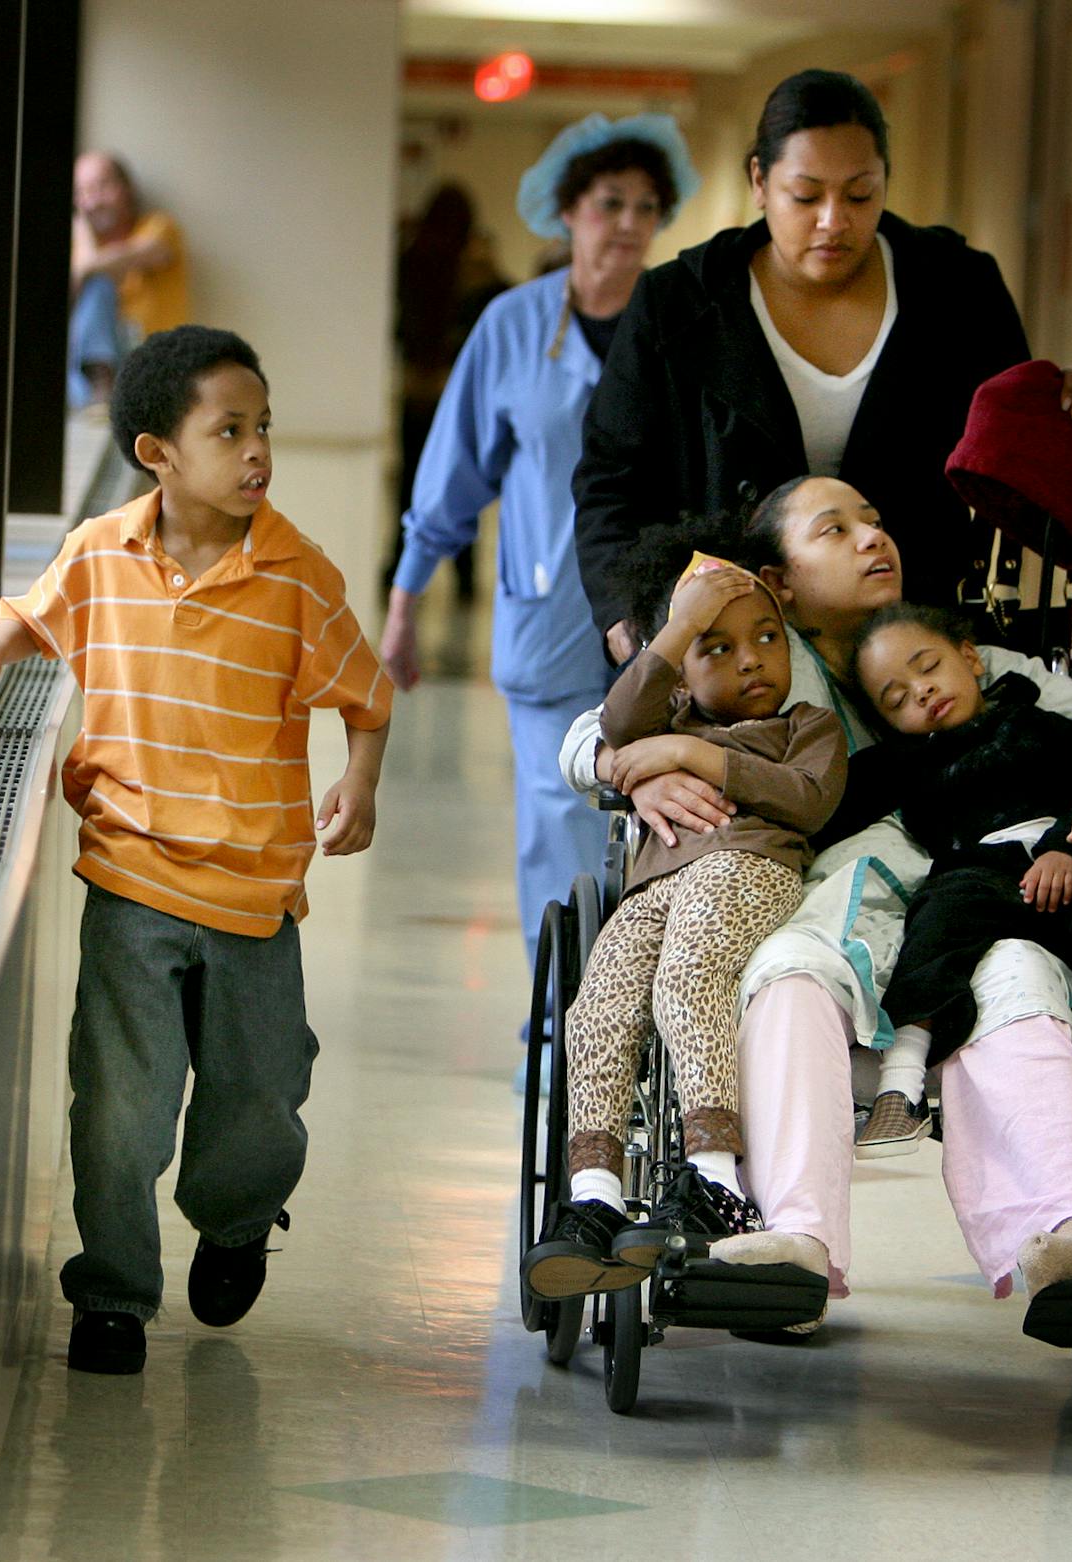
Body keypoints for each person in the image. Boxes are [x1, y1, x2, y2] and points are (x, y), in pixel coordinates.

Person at [559, 475, 1072, 1314]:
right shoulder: (750, 647)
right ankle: (795, 1237)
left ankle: (1071, 1230)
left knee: (1020, 980)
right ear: (778, 580)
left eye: (875, 519)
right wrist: (626, 770)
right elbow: (593, 731)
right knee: (790, 973)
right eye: (835, 528)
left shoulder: (952, 650)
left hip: (977, 885)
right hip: (814, 899)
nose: (871, 538)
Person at [0, 326, 392, 1375]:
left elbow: (366, 695)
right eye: (231, 430)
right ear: (157, 452)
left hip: (256, 892)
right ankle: (114, 1293)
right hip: (130, 873)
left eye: (264, 427)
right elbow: (42, 616)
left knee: (260, 1096)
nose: (258, 450)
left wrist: (357, 779)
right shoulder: (101, 551)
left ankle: (236, 1218)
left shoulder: (296, 577)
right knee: (121, 1098)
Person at [571, 69, 1072, 664]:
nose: (833, 220)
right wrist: (624, 618)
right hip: (729, 642)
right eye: (806, 196)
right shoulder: (676, 302)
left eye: (860, 194)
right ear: (759, 180)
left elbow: (1015, 457)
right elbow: (610, 478)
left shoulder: (958, 287)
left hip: (914, 635)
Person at [378, 114, 699, 1072]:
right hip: (547, 620)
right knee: (559, 827)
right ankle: (566, 1030)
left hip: (666, 624)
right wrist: (403, 605)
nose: (629, 224)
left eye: (647, 208)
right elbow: (448, 481)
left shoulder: (678, 322)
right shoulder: (513, 327)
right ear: (567, 212)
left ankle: (647, 1026)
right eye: (610, 205)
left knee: (669, 822)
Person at [525, 526, 843, 1300]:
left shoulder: (807, 726)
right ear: (680, 671)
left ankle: (714, 1179)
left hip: (749, 868)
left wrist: (704, 759)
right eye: (717, 647)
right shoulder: (661, 720)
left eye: (767, 639)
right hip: (656, 884)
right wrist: (673, 632)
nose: (750, 660)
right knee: (597, 1007)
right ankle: (594, 1195)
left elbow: (808, 798)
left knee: (687, 976)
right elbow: (615, 725)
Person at [829, 603, 1072, 1155]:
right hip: (978, 872)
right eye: (897, 698)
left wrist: (1061, 849)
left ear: (971, 658)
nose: (920, 693)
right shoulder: (902, 764)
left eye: (928, 668)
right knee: (937, 915)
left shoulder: (1035, 717)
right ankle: (900, 1090)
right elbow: (829, 808)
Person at [386, 183, 509, 601]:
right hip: (460, 396)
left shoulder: (413, 258)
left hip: (417, 392)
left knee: (410, 487)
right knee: (463, 485)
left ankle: (400, 571)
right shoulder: (474, 267)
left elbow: (402, 323)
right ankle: (463, 577)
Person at [67, 151, 189, 408]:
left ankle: (102, 380)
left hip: (148, 366)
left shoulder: (158, 227)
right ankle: (98, 381)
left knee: (99, 283)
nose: (93, 201)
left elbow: (95, 267)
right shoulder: (78, 248)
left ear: (127, 189)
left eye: (102, 186)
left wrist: (81, 228)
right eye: (82, 191)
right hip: (80, 380)